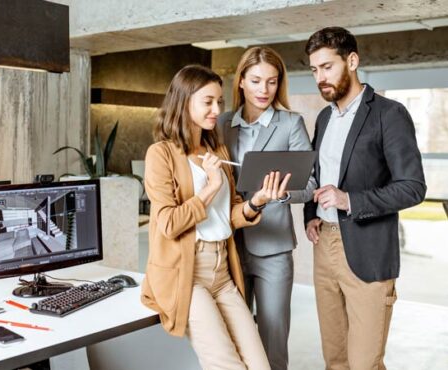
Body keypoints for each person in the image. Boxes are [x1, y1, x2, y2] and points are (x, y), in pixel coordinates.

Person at [141, 64, 290, 370]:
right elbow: (168, 223)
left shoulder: (216, 149)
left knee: (261, 366)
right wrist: (210, 188)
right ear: (184, 102)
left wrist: (256, 202)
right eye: (207, 101)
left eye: (219, 101)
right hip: (188, 274)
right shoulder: (161, 154)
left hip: (222, 273)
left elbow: (230, 214)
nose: (216, 109)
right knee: (227, 365)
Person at [303, 27, 426, 369]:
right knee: (335, 359)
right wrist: (310, 213)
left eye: (327, 67)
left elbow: (413, 186)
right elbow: (321, 175)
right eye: (314, 70)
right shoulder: (325, 118)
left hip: (368, 251)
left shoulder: (389, 114)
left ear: (352, 61)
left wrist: (349, 201)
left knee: (364, 363)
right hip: (323, 249)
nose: (320, 78)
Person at [218, 46, 316, 370]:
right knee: (232, 340)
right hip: (229, 244)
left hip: (273, 249)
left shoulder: (290, 123)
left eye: (272, 82)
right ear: (241, 81)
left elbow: (311, 186)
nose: (264, 90)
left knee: (272, 342)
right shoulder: (220, 125)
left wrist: (281, 194)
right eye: (256, 80)